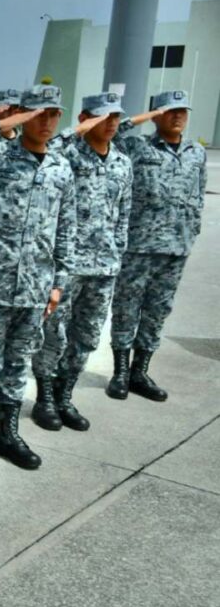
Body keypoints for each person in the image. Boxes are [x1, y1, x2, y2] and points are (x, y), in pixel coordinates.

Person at [0, 84, 76, 472]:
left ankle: (7, 434)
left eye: (53, 113)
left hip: (36, 285)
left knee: (18, 362)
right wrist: (8, 118)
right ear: (24, 115)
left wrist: (59, 281)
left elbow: (67, 228)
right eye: (37, 113)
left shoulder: (61, 167)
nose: (45, 121)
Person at [31, 93, 131, 431]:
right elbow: (47, 145)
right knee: (53, 336)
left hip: (104, 267)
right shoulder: (66, 155)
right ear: (87, 118)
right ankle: (44, 398)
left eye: (116, 116)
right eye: (104, 117)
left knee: (86, 336)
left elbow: (123, 216)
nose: (112, 123)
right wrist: (76, 129)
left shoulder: (122, 162)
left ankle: (64, 395)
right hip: (68, 266)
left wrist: (117, 255)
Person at [106, 90, 207, 402]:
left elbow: (199, 191)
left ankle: (140, 371)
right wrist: (142, 117)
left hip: (176, 247)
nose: (178, 116)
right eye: (170, 111)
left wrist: (192, 230)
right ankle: (120, 372)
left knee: (158, 311)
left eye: (182, 111)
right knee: (126, 308)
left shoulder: (196, 152)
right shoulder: (138, 146)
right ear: (157, 115)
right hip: (140, 245)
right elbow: (116, 129)